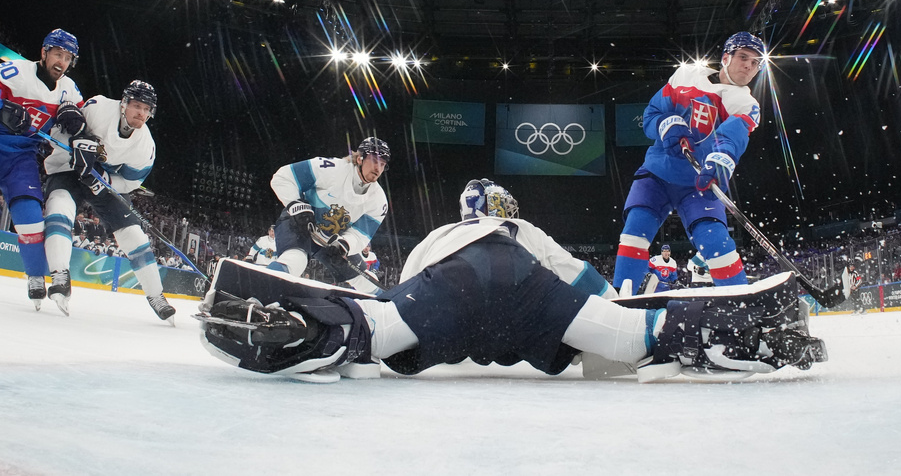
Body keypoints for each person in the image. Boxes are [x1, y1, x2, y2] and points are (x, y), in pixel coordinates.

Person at [198, 179, 826, 384]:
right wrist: (611, 333)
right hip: (529, 297)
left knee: (375, 329)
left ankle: (303, 330)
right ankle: (745, 333)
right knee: (637, 334)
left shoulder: (435, 237)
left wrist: (386, 322)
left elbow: (408, 291)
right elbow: (592, 284)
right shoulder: (520, 230)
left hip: (449, 293)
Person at [614, 32, 764, 294]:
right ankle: (618, 297)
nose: (749, 66)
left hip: (698, 183)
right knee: (634, 233)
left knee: (717, 244)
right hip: (657, 174)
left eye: (755, 62)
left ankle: (741, 302)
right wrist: (667, 124)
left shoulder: (747, 103)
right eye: (743, 57)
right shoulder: (686, 76)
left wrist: (721, 159)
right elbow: (652, 113)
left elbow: (733, 137)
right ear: (726, 57)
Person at [41, 80, 176, 321]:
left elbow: (131, 182)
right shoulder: (99, 107)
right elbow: (63, 127)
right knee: (59, 204)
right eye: (137, 106)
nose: (142, 113)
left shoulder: (145, 146)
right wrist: (77, 142)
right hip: (68, 169)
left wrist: (106, 181)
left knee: (133, 233)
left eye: (147, 109)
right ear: (123, 103)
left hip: (103, 183)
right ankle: (60, 275)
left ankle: (156, 296)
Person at [0, 29, 85, 308]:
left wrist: (81, 132)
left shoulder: (69, 89)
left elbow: (80, 124)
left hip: (21, 156)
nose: (62, 61)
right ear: (44, 53)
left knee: (32, 220)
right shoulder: (13, 72)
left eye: (68, 57)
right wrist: (3, 109)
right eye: (57, 54)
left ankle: (35, 276)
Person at [265, 136, 390, 294]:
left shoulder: (379, 200)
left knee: (363, 277)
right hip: (299, 223)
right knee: (295, 259)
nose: (378, 169)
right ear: (360, 158)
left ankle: (388, 310)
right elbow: (283, 177)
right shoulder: (331, 168)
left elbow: (361, 235)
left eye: (383, 164)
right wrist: (296, 205)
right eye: (374, 161)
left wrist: (345, 245)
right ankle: (259, 295)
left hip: (330, 239)